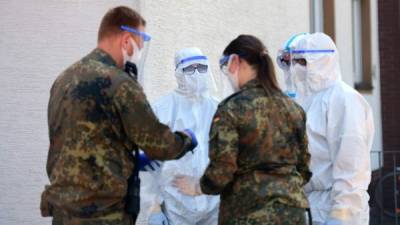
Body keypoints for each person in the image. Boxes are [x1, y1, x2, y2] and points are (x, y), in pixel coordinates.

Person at [40, 6, 197, 225]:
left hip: (64, 211)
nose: (137, 53)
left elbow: (80, 143)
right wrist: (187, 139)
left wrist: (130, 161)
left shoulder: (64, 79)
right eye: (138, 46)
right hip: (103, 214)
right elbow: (159, 144)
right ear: (126, 40)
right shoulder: (120, 84)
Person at [174, 35, 312, 225]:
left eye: (225, 65)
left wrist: (197, 187)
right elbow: (304, 168)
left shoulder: (231, 109)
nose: (227, 73)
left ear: (236, 61)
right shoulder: (292, 108)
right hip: (292, 212)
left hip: (248, 213)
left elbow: (222, 171)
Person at [277, 32, 374, 225]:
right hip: (308, 208)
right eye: (291, 63)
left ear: (322, 61)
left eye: (302, 62)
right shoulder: (305, 103)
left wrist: (341, 217)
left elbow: (351, 171)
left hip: (336, 208)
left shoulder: (344, 100)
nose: (295, 69)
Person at [144, 47, 220, 225]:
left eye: (201, 68)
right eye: (189, 68)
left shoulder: (218, 108)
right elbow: (148, 159)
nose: (196, 74)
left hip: (213, 205)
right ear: (178, 73)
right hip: (176, 206)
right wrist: (153, 207)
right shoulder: (163, 108)